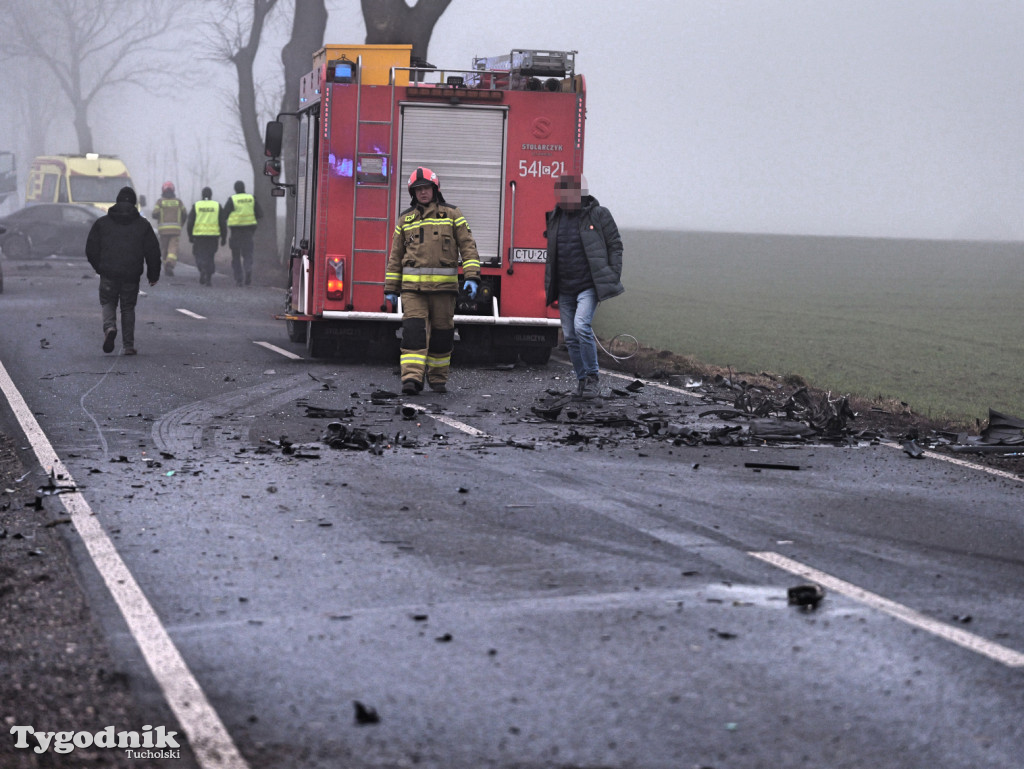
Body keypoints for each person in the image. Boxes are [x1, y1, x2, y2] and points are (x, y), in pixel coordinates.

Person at [384, 167, 481, 395]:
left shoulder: (453, 215)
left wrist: (472, 276)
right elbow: (395, 256)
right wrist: (391, 288)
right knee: (413, 333)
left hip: (444, 291)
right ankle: (411, 379)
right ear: (413, 193)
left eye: (426, 188)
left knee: (442, 334)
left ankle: (438, 379)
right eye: (418, 190)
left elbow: (468, 246)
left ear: (434, 189)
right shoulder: (405, 220)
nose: (423, 193)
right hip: (413, 291)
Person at [543, 173, 624, 399]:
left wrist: (611, 274)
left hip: (588, 286)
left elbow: (615, 245)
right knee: (569, 336)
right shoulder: (555, 217)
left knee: (581, 327)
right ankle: (581, 382)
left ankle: (592, 378)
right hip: (565, 288)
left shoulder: (598, 215)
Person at [85, 186, 161, 356]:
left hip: (108, 273)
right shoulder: (143, 225)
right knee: (127, 308)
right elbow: (153, 251)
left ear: (117, 201)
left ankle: (110, 327)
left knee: (108, 302)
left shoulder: (102, 223)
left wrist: (100, 267)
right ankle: (128, 345)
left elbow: (91, 249)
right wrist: (153, 274)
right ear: (134, 203)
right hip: (131, 274)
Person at [222, 180, 263, 286]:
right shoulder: (251, 198)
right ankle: (248, 269)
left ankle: (239, 278)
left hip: (235, 232)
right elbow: (260, 214)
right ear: (244, 188)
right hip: (249, 232)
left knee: (235, 256)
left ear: (235, 189)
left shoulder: (232, 199)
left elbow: (224, 215)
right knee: (247, 254)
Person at [186, 186, 225, 286]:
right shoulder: (217, 206)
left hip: (199, 236)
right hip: (213, 236)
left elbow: (190, 222)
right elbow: (222, 223)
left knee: (199, 255)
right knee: (210, 256)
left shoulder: (197, 205)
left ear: (202, 195)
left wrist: (190, 235)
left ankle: (202, 268)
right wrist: (224, 237)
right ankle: (208, 277)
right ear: (211, 195)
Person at [150, 181, 187, 277]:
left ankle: (166, 266)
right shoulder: (178, 202)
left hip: (163, 230)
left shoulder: (160, 202)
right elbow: (184, 214)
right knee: (173, 248)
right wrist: (181, 225)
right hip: (175, 230)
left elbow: (154, 214)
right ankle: (170, 263)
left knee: (164, 249)